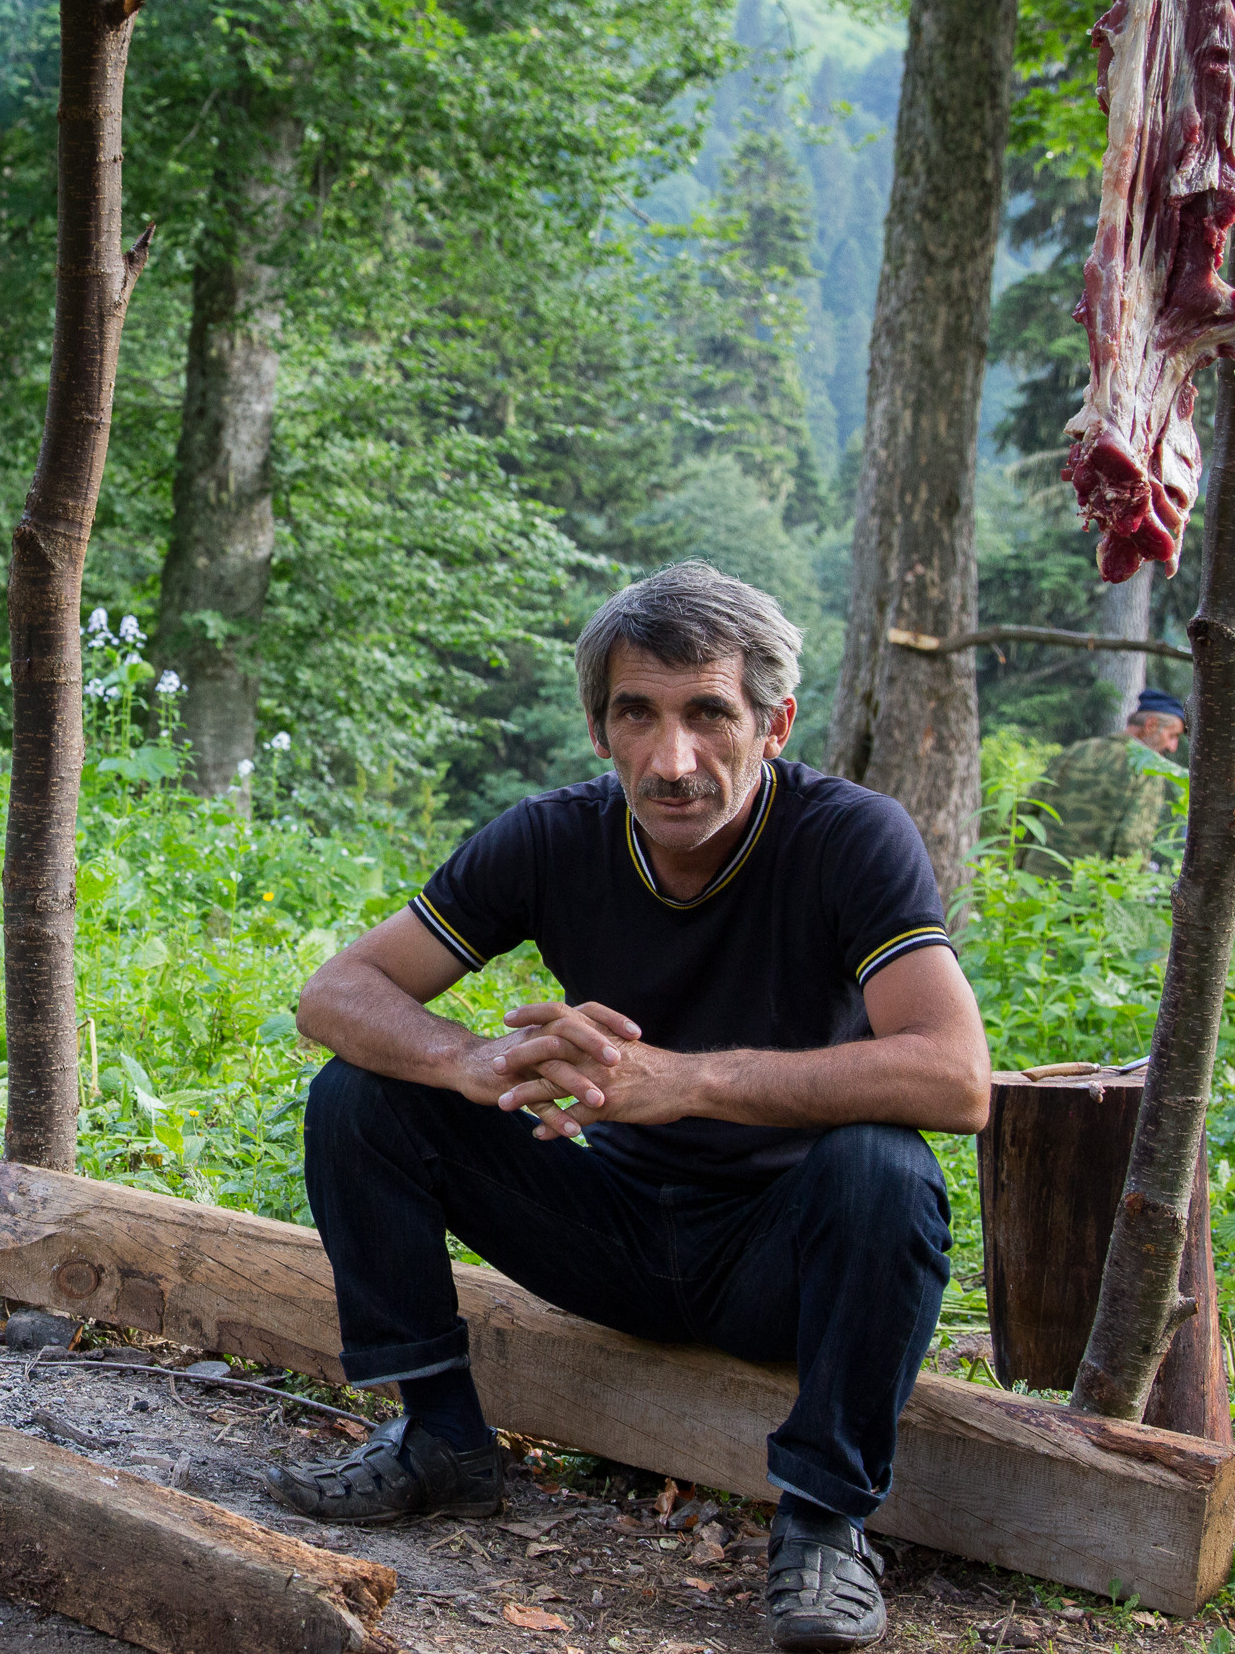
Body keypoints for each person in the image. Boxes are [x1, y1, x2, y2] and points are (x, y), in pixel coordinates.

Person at [276, 563, 990, 1653]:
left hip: (783, 1259)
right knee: (363, 1092)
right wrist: (470, 1056)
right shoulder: (553, 836)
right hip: (604, 1223)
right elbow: (333, 994)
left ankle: (823, 1525)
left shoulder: (851, 837)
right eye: (636, 715)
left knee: (884, 1166)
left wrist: (685, 1079)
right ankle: (440, 1440)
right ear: (599, 728)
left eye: (709, 713)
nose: (672, 759)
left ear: (774, 721)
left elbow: (954, 1076)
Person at [1022, 689, 1188, 877]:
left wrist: (1013, 871)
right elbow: (1132, 840)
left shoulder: (1076, 751)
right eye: (1172, 736)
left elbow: (1027, 811)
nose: (1172, 747)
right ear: (1150, 725)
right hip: (1090, 892)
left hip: (1036, 883)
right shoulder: (1148, 770)